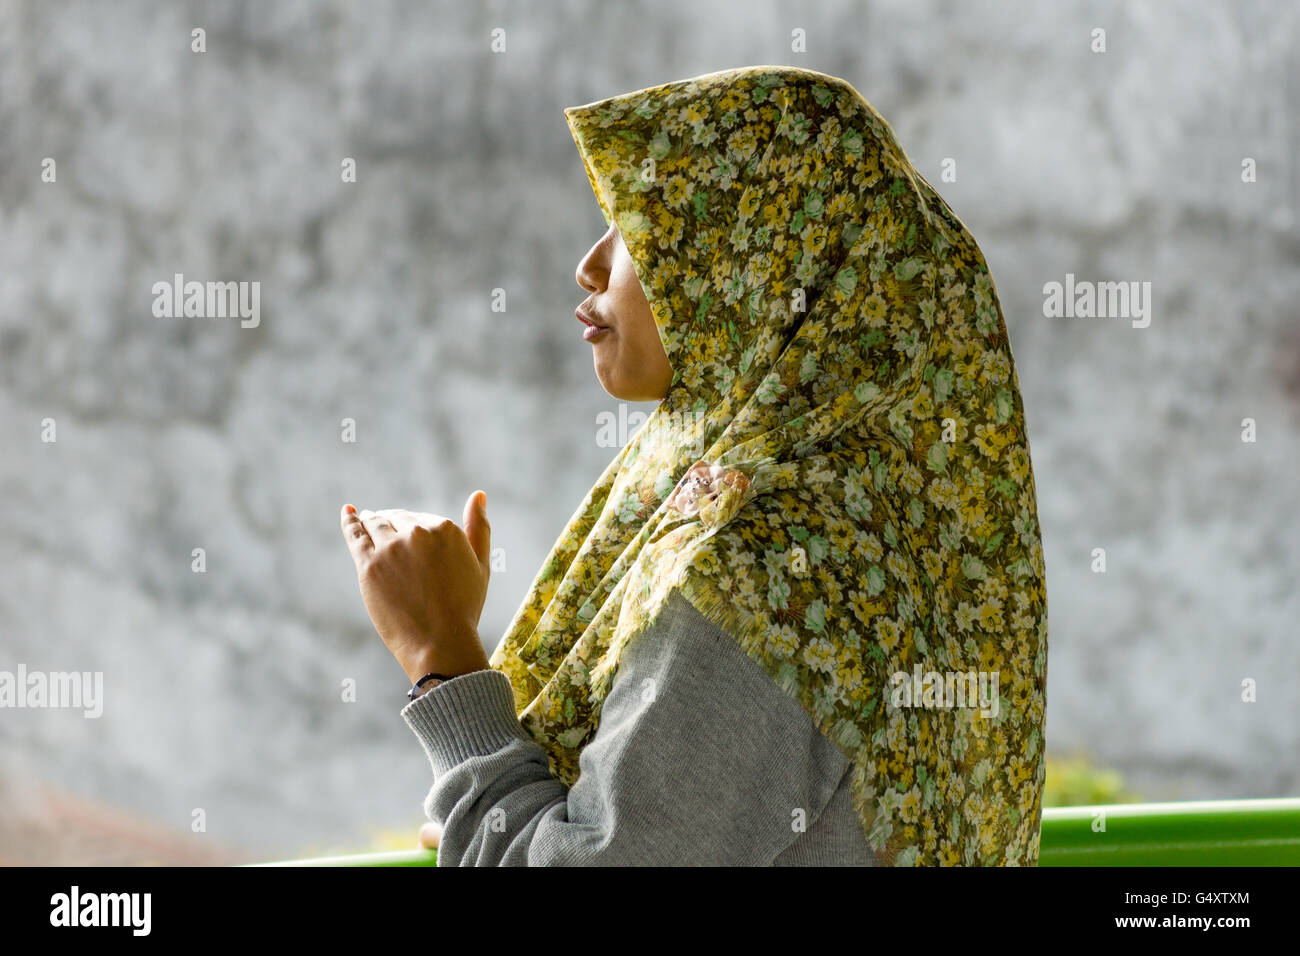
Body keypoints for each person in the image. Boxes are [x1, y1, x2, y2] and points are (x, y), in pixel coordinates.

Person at [340, 65, 1049, 866]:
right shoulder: (872, 517)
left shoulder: (776, 570)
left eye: (633, 226)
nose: (590, 264)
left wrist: (441, 658)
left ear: (755, 263)